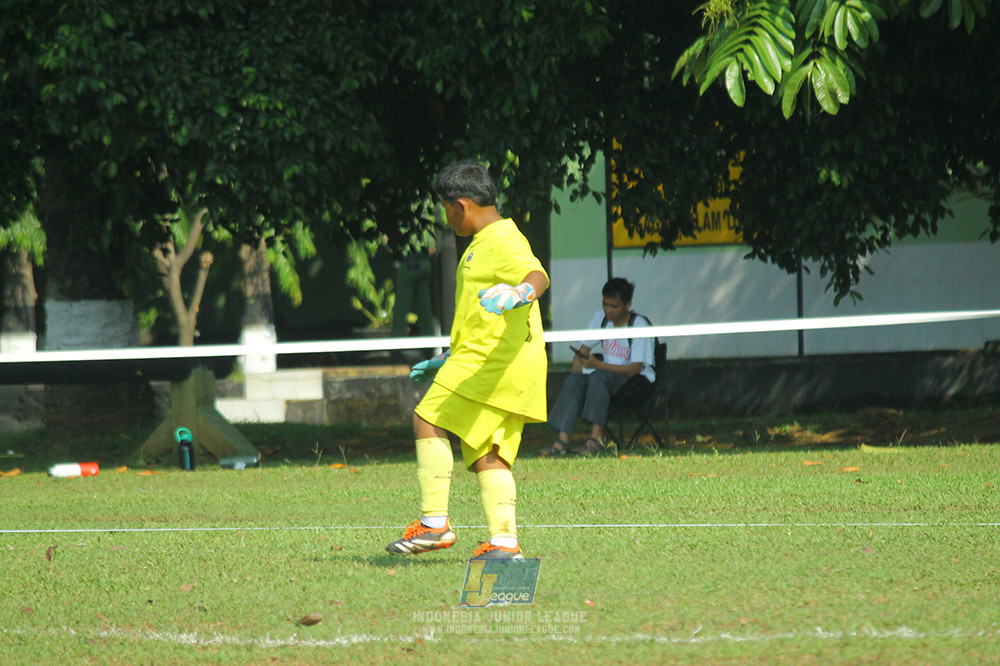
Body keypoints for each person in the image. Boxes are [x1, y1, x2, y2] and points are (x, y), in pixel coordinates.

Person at [385, 159, 549, 560]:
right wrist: (449, 355)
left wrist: (520, 293)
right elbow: (480, 317)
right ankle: (505, 544)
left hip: (491, 364)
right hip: (504, 362)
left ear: (461, 205)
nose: (446, 217)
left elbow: (536, 275)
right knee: (487, 454)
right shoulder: (483, 244)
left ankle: (434, 524)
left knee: (428, 418)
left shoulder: (501, 239)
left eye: (445, 208)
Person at [542, 278, 655, 456]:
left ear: (627, 305)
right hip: (605, 379)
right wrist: (577, 384)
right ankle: (562, 441)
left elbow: (634, 369)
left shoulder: (639, 324)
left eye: (614, 306)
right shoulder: (600, 319)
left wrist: (598, 364)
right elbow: (582, 352)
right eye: (605, 304)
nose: (607, 310)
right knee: (574, 380)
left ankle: (595, 440)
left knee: (598, 376)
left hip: (636, 383)